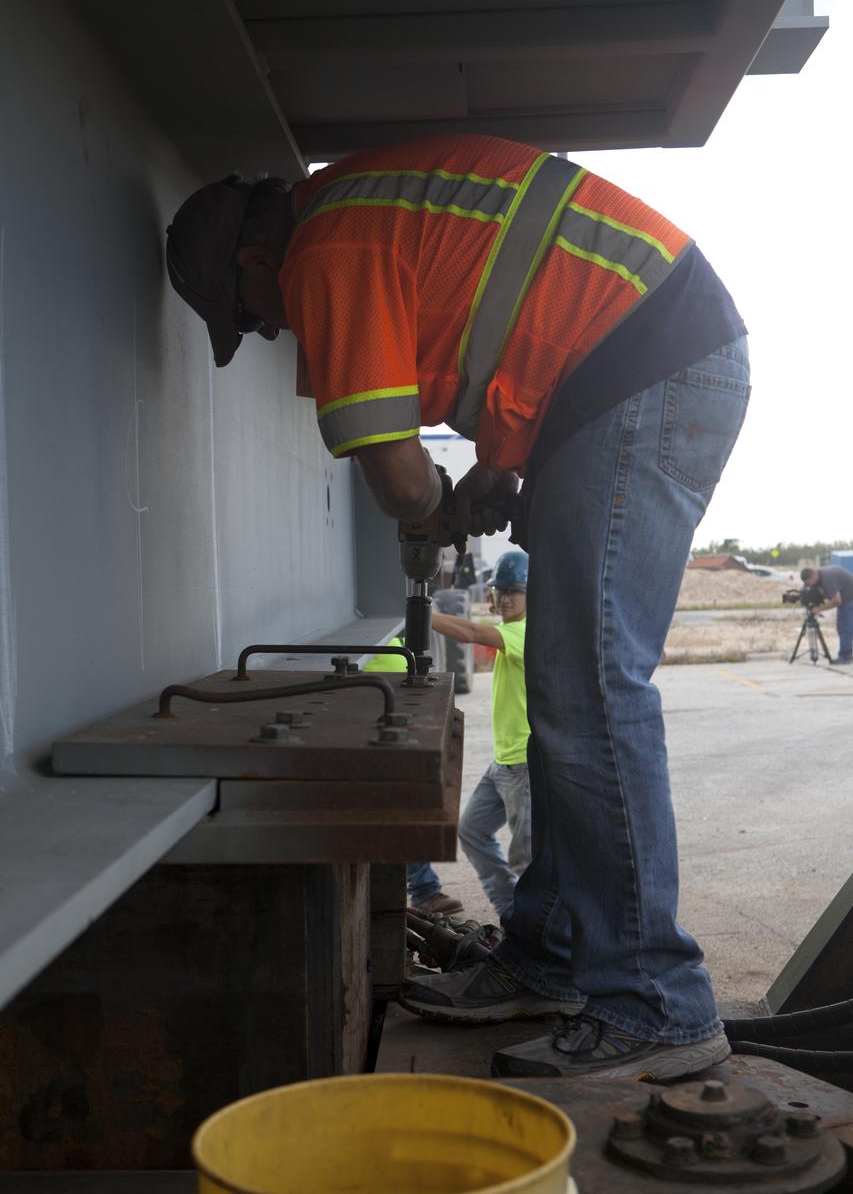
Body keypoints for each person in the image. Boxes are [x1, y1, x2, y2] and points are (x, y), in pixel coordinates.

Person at [167, 134, 750, 1080]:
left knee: (591, 694)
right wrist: (482, 477)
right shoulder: (368, 209)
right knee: (570, 696)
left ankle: (653, 1004)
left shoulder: (327, 247)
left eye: (256, 319)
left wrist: (435, 509)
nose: (277, 334)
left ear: (252, 262)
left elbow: (398, 480)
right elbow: (530, 345)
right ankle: (552, 958)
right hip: (628, 369)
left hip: (646, 370)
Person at [431, 550, 532, 924]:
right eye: (500, 590)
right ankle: (512, 914)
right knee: (472, 831)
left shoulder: (526, 632)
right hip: (503, 762)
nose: (503, 598)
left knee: (528, 861)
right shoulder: (512, 627)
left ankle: (539, 940)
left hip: (524, 765)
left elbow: (473, 633)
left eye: (514, 591)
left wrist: (420, 611)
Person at [364, 639, 464, 916]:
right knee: (397, 806)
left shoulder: (389, 634)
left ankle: (423, 890)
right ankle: (423, 890)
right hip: (371, 705)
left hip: (389, 703)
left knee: (404, 804)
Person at [801, 566, 853, 664]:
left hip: (849, 599)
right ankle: (847, 653)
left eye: (809, 583)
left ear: (812, 577)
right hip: (847, 598)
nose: (810, 585)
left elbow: (837, 601)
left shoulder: (827, 578)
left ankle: (846, 656)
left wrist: (819, 609)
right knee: (844, 627)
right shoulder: (820, 575)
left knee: (845, 627)